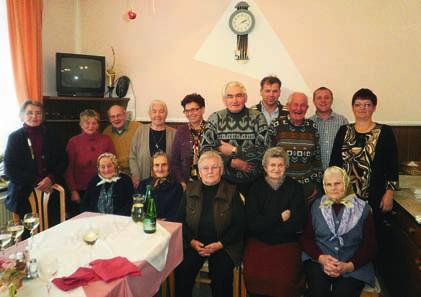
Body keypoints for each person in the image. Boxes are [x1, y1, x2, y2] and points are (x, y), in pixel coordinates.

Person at [329, 88, 398, 271]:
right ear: (353, 107)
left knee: (370, 237)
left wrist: (389, 193)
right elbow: (334, 165)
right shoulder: (344, 131)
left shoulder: (384, 132)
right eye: (358, 105)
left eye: (367, 105)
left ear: (374, 107)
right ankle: (346, 270)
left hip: (373, 197)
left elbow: (392, 166)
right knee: (346, 236)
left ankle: (369, 273)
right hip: (345, 197)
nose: (362, 108)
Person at [175, 151, 245, 297]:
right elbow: (179, 220)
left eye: (214, 167)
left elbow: (240, 225)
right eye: (206, 168)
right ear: (199, 172)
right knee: (182, 272)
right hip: (195, 243)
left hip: (224, 245)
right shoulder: (190, 190)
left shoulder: (232, 192)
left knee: (221, 278)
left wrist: (220, 244)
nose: (210, 171)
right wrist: (192, 241)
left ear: (221, 170)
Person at [301, 166, 377, 297]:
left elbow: (370, 246)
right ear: (324, 187)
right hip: (319, 260)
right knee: (318, 292)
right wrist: (322, 259)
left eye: (337, 183)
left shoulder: (363, 208)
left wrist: (348, 266)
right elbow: (306, 239)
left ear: (346, 183)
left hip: (352, 263)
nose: (333, 188)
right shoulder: (316, 206)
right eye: (328, 184)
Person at [244, 147, 305, 297]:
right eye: (272, 165)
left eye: (280, 165)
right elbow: (252, 224)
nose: (276, 169)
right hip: (259, 241)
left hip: (286, 243)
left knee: (285, 280)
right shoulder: (255, 188)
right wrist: (279, 218)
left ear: (286, 166)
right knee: (254, 277)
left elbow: (297, 223)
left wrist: (265, 223)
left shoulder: (296, 188)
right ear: (265, 167)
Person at [4, 100, 67, 225]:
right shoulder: (14, 138)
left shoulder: (53, 134)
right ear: (22, 116)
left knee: (53, 230)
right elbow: (10, 169)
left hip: (52, 192)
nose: (34, 116)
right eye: (30, 113)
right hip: (24, 196)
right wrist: (38, 181)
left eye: (38, 113)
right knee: (29, 237)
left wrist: (50, 178)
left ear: (42, 116)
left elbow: (63, 160)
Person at [201, 81, 269, 195]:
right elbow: (205, 151)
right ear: (224, 100)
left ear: (245, 98)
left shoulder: (258, 117)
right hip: (223, 182)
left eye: (239, 95)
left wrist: (234, 150)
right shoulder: (215, 118)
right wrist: (230, 161)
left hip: (254, 183)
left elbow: (265, 151)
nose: (234, 100)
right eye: (230, 96)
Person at [269, 92, 323, 200]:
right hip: (282, 185)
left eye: (303, 105)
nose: (299, 108)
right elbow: (268, 157)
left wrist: (316, 185)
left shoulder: (312, 126)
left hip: (306, 186)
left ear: (307, 108)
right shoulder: (276, 125)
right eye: (295, 104)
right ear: (288, 106)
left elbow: (316, 158)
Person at [65, 109, 116, 216]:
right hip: (80, 190)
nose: (91, 126)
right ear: (81, 124)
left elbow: (113, 164)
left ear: (98, 125)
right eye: (87, 123)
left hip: (102, 187)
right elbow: (68, 169)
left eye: (94, 123)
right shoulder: (73, 142)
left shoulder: (106, 140)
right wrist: (73, 191)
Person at [129, 100, 176, 188]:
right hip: (142, 180)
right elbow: (132, 156)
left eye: (161, 112)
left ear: (166, 114)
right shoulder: (140, 131)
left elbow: (177, 159)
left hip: (168, 184)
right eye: (154, 111)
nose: (157, 115)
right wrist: (135, 175)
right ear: (149, 114)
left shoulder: (174, 133)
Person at [171, 93, 206, 190]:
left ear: (202, 109)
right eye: (187, 110)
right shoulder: (181, 131)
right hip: (186, 183)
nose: (191, 113)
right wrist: (181, 182)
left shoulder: (211, 129)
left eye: (194, 109)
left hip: (207, 181)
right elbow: (174, 161)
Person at [309, 87, 348, 169]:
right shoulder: (308, 123)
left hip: (337, 173)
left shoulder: (342, 121)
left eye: (326, 98)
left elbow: (347, 149)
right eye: (319, 98)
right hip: (315, 173)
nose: (323, 101)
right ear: (314, 101)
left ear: (332, 100)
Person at [138, 152, 183, 221]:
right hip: (145, 224)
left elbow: (178, 214)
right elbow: (138, 208)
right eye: (156, 165)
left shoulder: (177, 187)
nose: (160, 169)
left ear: (169, 166)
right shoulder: (143, 185)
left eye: (164, 165)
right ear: (152, 167)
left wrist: (163, 221)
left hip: (168, 226)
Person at [103, 104, 141, 175]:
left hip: (135, 171)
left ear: (125, 115)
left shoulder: (138, 128)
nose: (116, 119)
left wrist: (136, 174)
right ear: (109, 119)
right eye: (112, 117)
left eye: (119, 115)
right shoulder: (106, 132)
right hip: (114, 172)